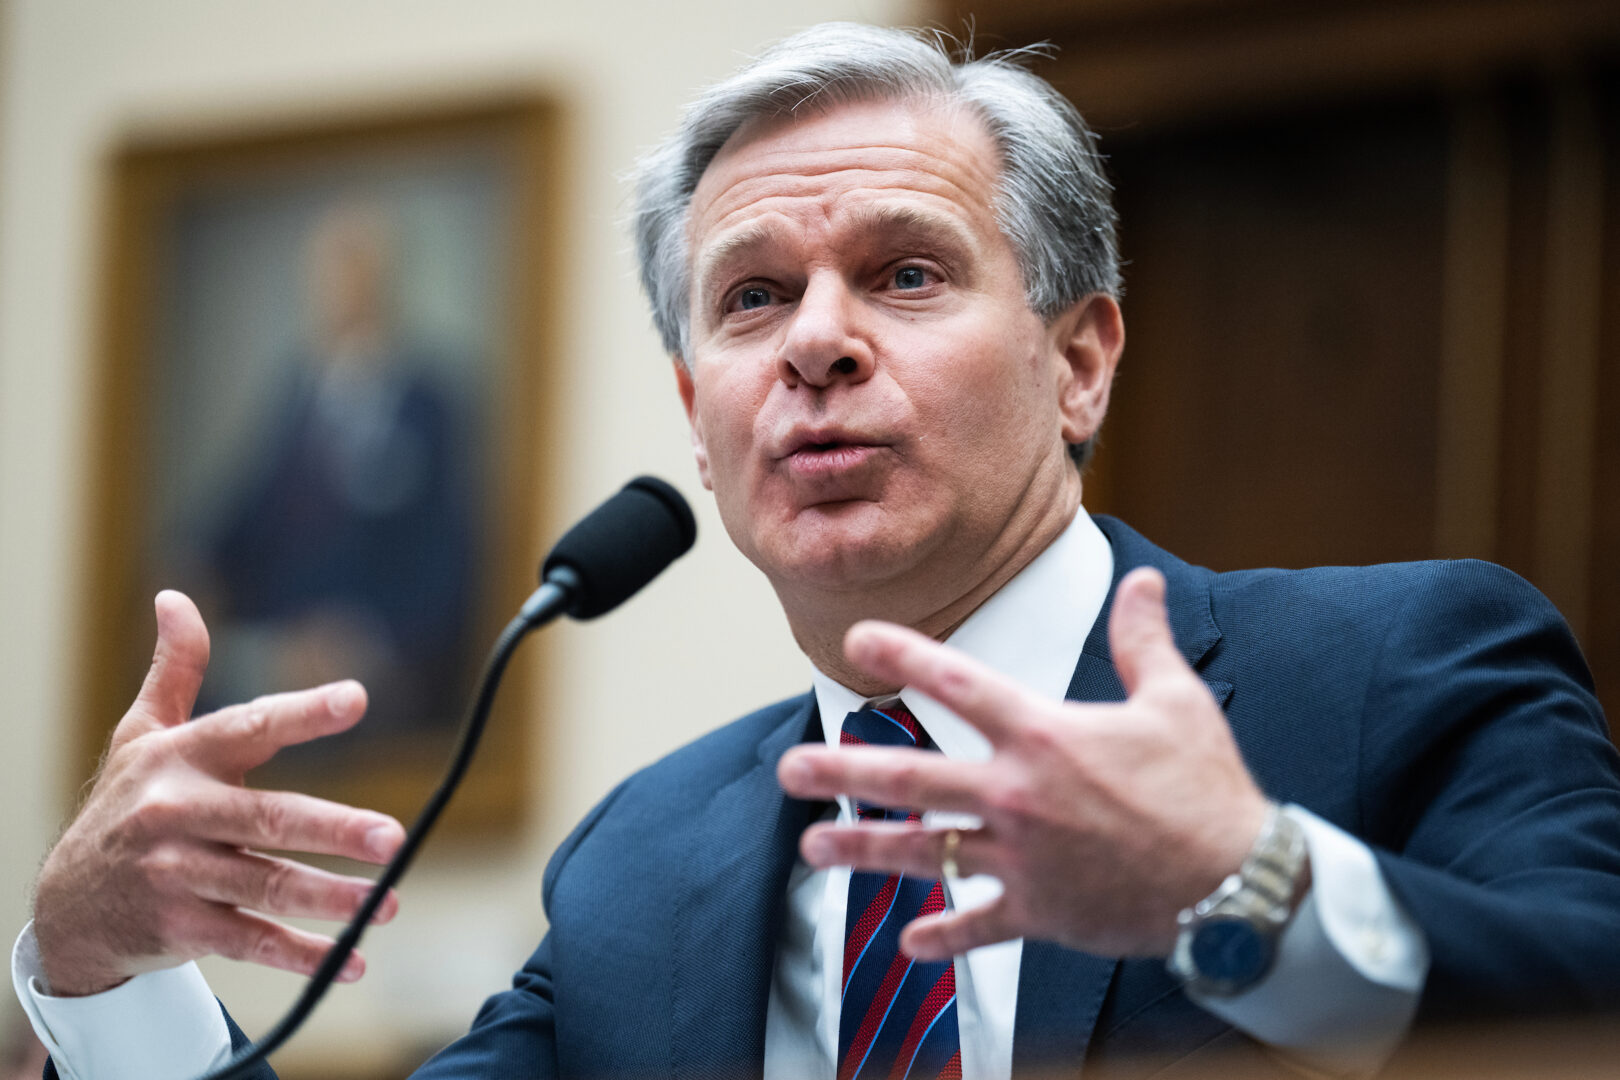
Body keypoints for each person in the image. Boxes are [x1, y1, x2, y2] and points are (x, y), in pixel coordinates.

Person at [14, 23, 1620, 1080]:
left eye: (908, 276)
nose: (819, 346)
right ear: (695, 416)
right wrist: (92, 971)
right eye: (753, 297)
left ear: (1083, 361)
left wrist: (1241, 887)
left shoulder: (1403, 672)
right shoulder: (643, 870)